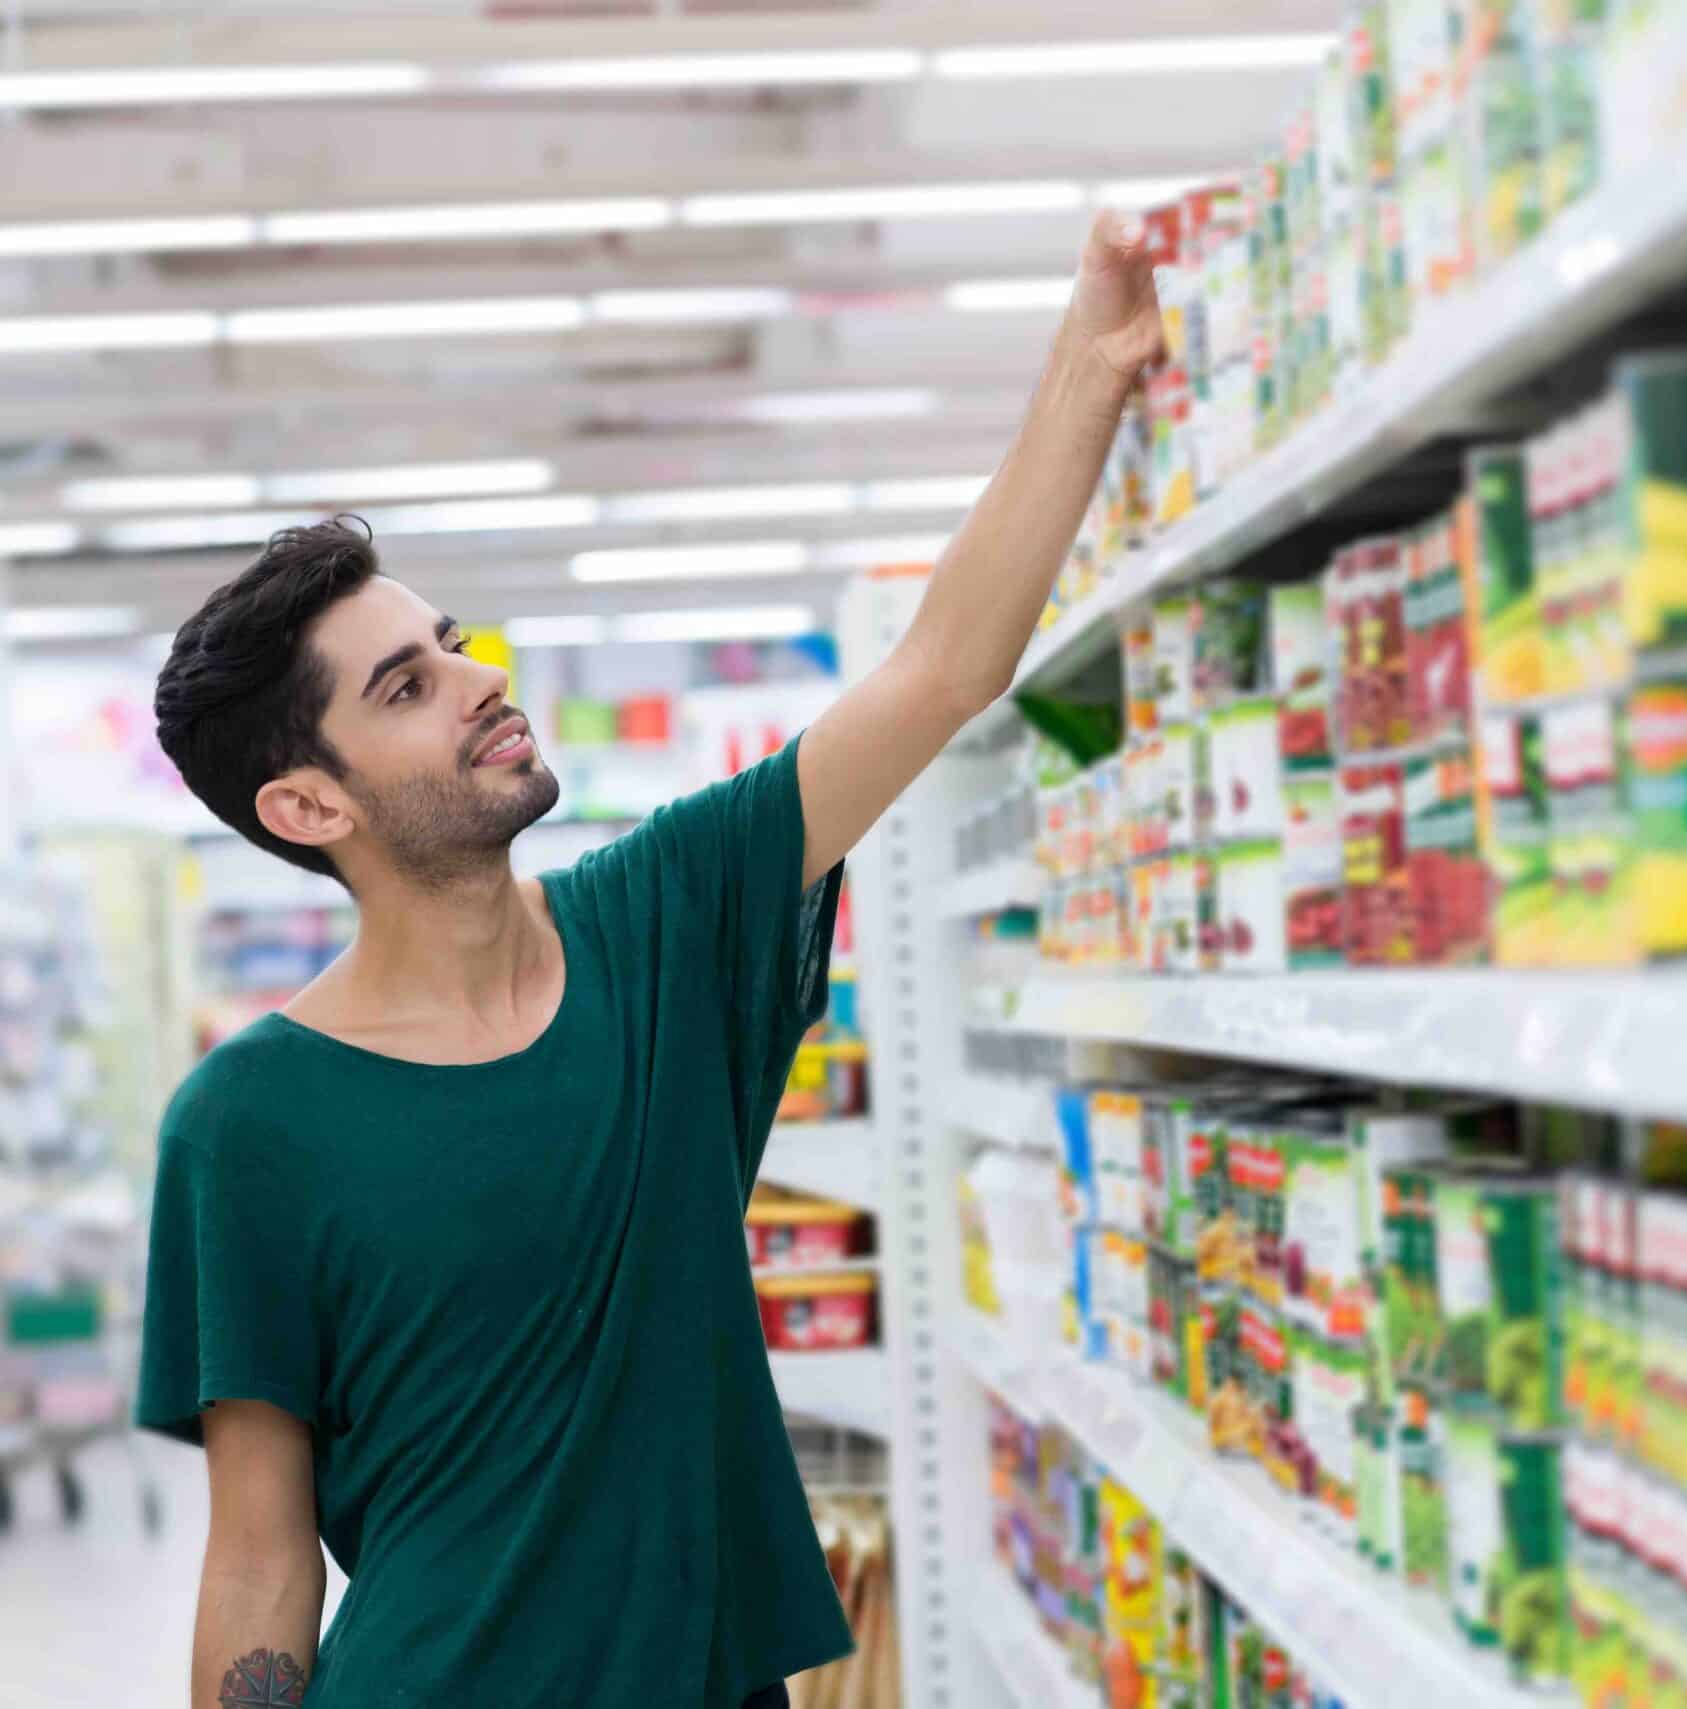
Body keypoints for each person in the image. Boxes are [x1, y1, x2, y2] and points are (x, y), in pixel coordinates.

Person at [136, 210, 1161, 1709]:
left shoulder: (665, 925)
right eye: (409, 685)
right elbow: (258, 1556)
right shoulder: (246, 1126)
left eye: (457, 640)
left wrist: (1094, 359)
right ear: (309, 804)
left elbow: (941, 665)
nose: (483, 680)